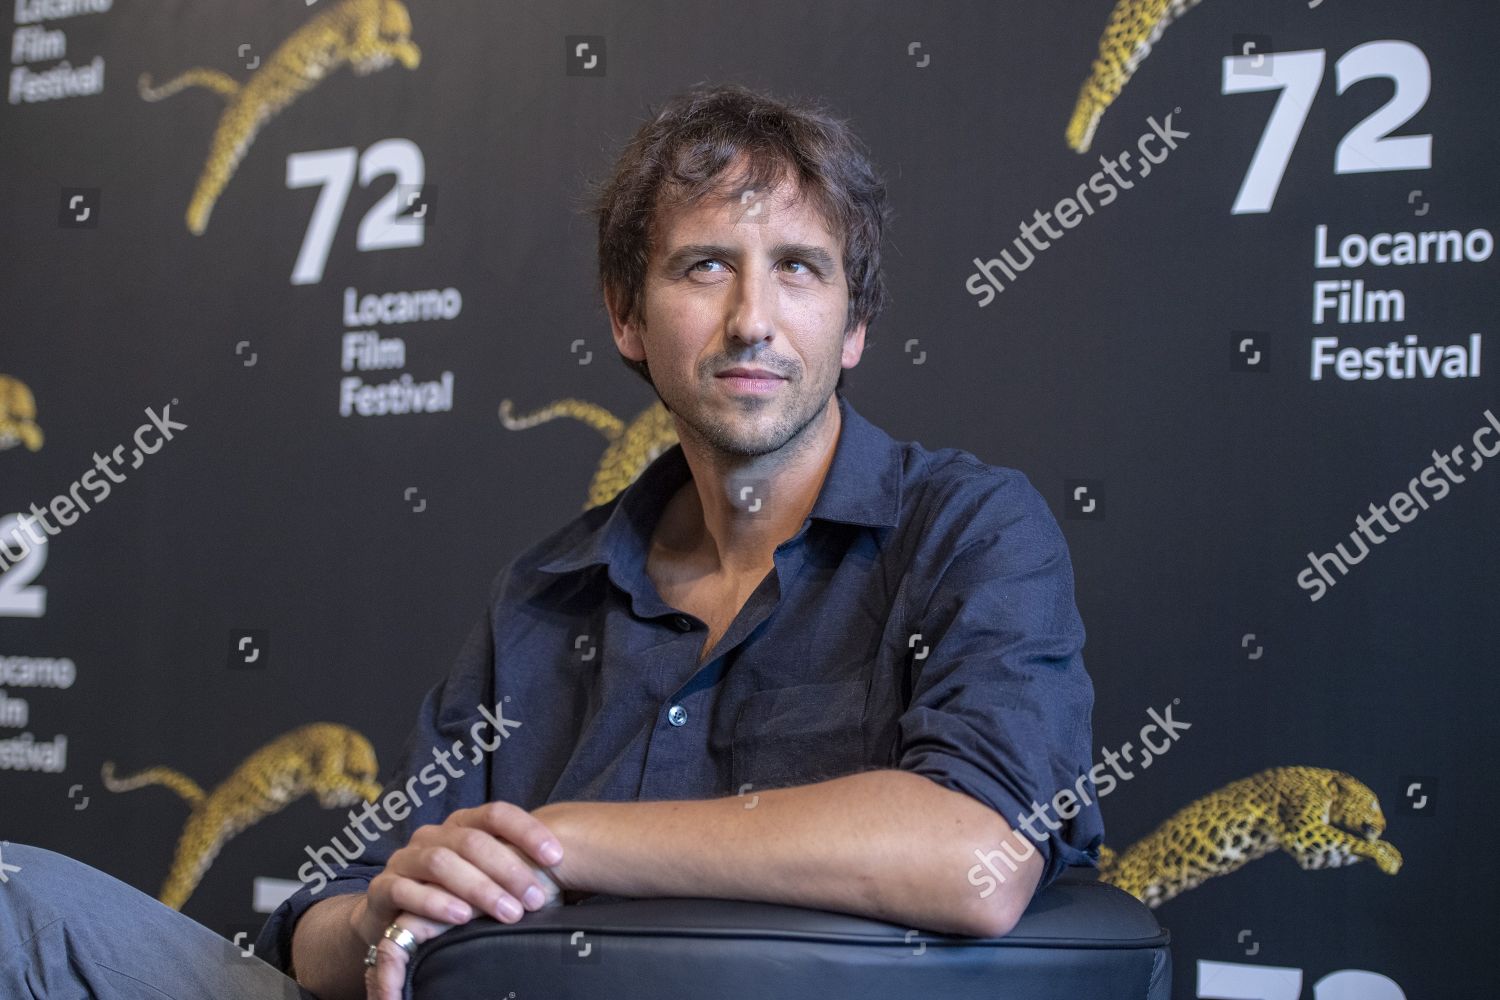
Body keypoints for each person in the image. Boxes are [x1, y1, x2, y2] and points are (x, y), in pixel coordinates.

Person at [0, 81, 1102, 1000]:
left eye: (800, 268)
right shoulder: (548, 595)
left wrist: (562, 841)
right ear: (627, 314)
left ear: (853, 327)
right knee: (23, 907)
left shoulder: (968, 528)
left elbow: (983, 853)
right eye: (705, 266)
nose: (752, 319)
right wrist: (384, 905)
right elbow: (328, 921)